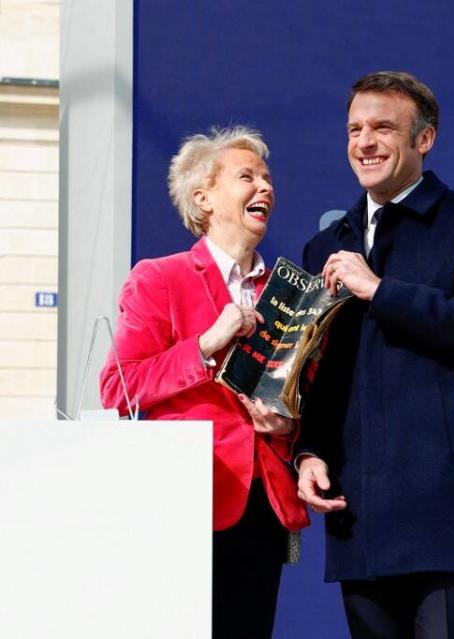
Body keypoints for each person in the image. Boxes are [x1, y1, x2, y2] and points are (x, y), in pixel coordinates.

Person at [295, 71, 454, 639]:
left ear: (424, 139)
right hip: (359, 511)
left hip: (448, 508)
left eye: (382, 128)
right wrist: (309, 452)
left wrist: (379, 290)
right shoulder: (326, 246)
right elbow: (318, 372)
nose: (364, 142)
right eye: (354, 129)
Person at [100, 126, 309, 639]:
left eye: (267, 177)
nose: (264, 186)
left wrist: (287, 424)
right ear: (204, 198)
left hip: (262, 501)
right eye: (246, 176)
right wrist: (205, 343)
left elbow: (304, 394)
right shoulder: (159, 278)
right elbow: (117, 387)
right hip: (183, 496)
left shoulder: (289, 292)